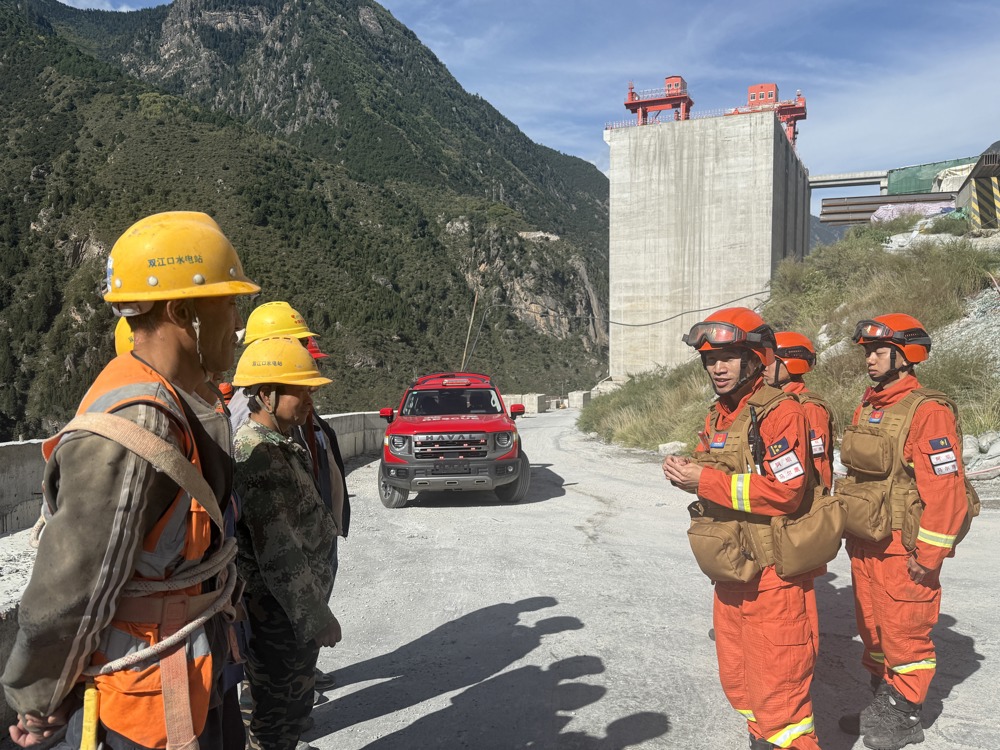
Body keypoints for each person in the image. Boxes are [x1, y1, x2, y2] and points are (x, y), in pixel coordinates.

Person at [1, 211, 260, 749]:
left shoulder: (186, 399)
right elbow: (73, 584)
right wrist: (38, 701)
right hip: (140, 707)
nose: (237, 321)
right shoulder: (134, 423)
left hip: (194, 676)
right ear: (182, 311)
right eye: (228, 302)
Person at [662, 307, 821, 750]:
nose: (717, 367)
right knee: (741, 682)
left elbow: (786, 491)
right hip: (733, 571)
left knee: (780, 697)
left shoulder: (780, 413)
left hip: (773, 576)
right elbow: (717, 476)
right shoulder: (720, 414)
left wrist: (704, 479)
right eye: (710, 359)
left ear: (757, 358)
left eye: (729, 356)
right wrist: (685, 472)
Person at [836, 314, 973, 749]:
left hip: (902, 548)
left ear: (906, 356)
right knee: (874, 632)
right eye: (867, 352)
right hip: (865, 540)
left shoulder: (928, 411)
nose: (870, 360)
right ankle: (884, 701)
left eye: (877, 351)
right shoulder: (869, 404)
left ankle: (903, 715)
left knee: (905, 632)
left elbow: (946, 490)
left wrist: (928, 557)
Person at [230, 300, 349, 694]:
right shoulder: (251, 437)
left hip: (301, 583)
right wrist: (313, 615)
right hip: (281, 599)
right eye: (295, 343)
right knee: (274, 699)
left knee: (290, 689)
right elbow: (276, 543)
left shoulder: (283, 422)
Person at [764, 331, 834, 489]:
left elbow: (818, 463)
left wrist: (820, 503)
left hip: (806, 501)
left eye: (770, 361)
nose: (764, 367)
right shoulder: (774, 402)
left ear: (790, 363)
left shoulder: (810, 408)